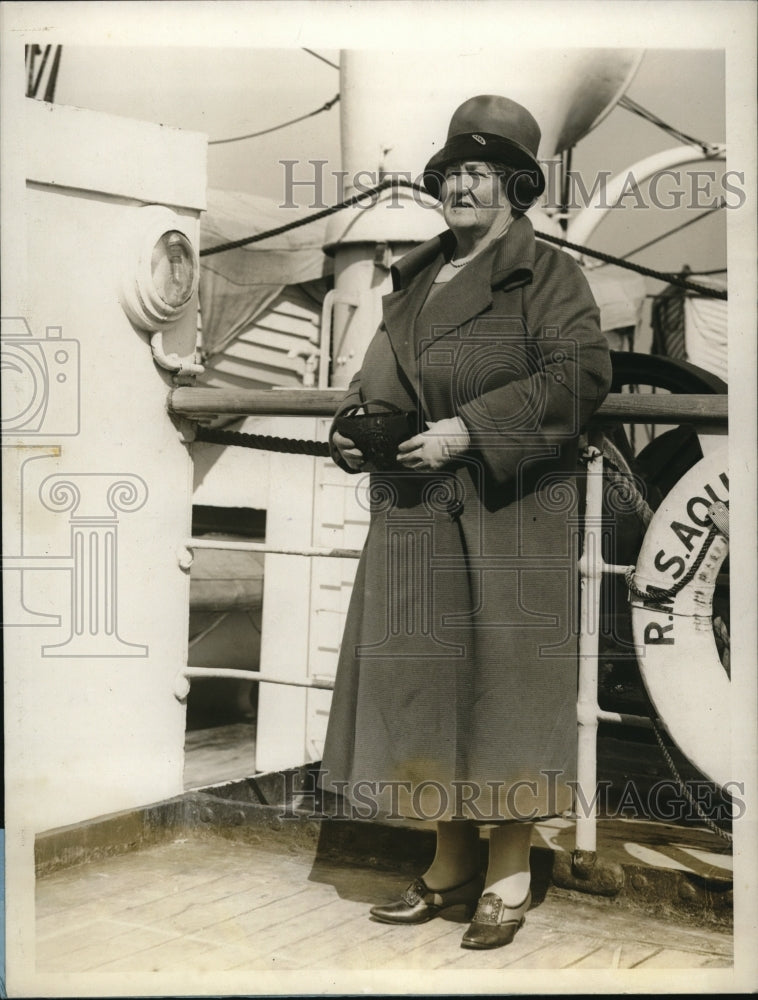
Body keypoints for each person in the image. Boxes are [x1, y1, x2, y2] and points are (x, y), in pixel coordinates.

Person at [321, 94, 612, 950]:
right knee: (425, 688)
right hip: (415, 515)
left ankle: (511, 873)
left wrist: (468, 431)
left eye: (485, 174)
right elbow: (375, 376)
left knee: (505, 694)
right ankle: (449, 868)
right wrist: (353, 426)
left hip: (508, 515)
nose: (465, 187)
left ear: (517, 189)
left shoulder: (552, 277)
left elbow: (577, 377)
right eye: (454, 173)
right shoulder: (410, 282)